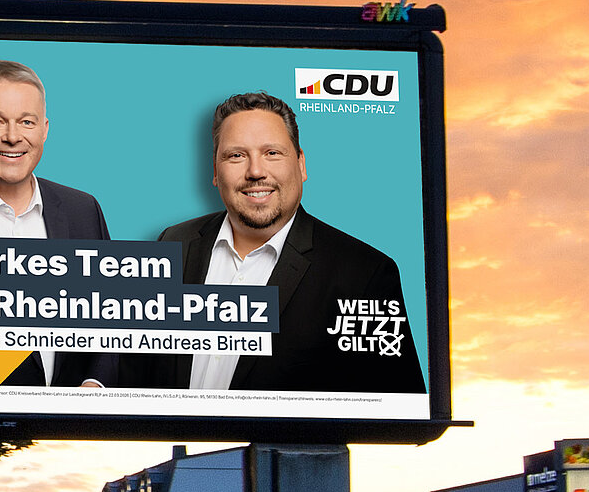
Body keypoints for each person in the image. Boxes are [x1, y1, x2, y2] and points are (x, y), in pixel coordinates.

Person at [135, 91, 425, 395]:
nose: (256, 171)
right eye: (236, 155)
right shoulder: (173, 244)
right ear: (215, 170)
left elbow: (400, 410)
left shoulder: (365, 274)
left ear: (301, 164)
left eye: (272, 153)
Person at [0, 58, 115, 388]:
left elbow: (112, 319)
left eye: (26, 122)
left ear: (45, 129)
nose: (12, 136)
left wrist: (95, 384)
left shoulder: (83, 210)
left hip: (72, 431)